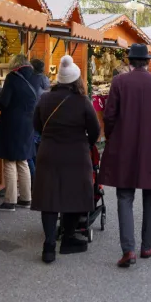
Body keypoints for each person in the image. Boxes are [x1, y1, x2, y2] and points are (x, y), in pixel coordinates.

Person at [98, 44, 151, 268]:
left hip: (125, 147)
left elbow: (110, 116)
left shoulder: (119, 83)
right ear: (147, 61)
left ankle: (128, 250)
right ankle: (147, 246)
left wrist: (114, 138)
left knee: (125, 197)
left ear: (130, 61)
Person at [32, 55, 101, 264]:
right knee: (74, 197)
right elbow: (95, 130)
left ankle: (49, 245)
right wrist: (86, 143)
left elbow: (36, 125)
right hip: (75, 156)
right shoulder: (83, 101)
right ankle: (69, 238)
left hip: (48, 154)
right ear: (76, 80)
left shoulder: (44, 99)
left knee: (49, 200)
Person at [0, 54, 37, 212]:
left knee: (9, 161)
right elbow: (20, 94)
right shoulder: (33, 77)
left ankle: (9, 201)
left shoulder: (12, 76)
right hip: (28, 123)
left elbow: (5, 102)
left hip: (13, 124)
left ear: (15, 64)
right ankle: (26, 198)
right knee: (22, 160)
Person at [27, 58, 51, 184]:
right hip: (43, 121)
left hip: (33, 119)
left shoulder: (31, 80)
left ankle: (36, 181)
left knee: (31, 154)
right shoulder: (45, 81)